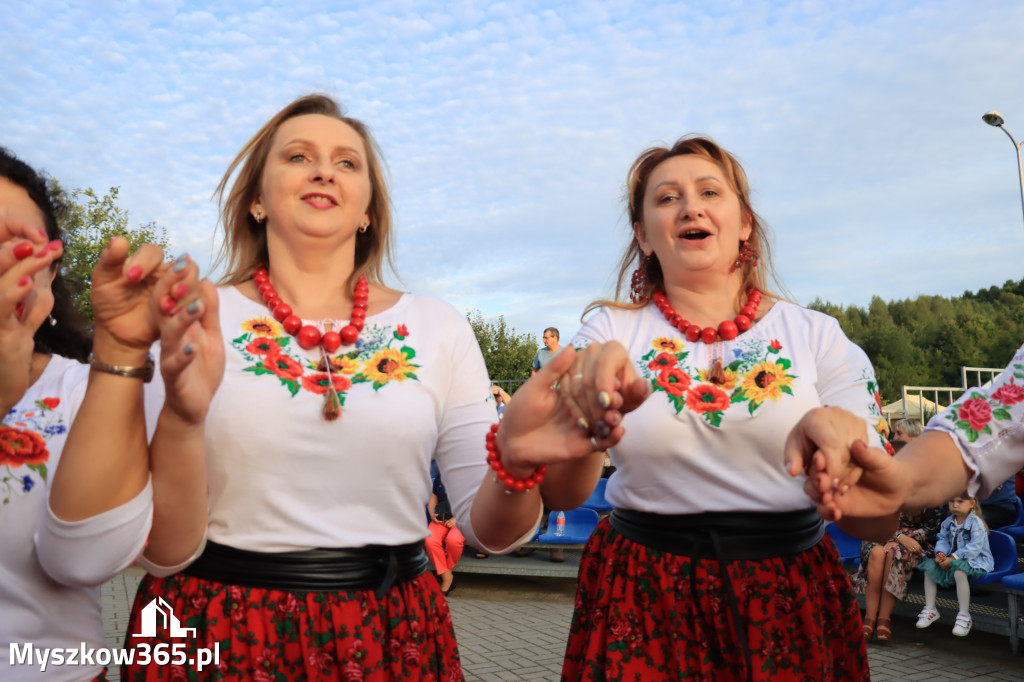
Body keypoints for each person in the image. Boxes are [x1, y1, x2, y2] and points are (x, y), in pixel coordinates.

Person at [73, 94, 605, 681]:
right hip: (210, 628)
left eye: (347, 162)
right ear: (255, 199)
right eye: (298, 156)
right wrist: (179, 414)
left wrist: (515, 464)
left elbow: (491, 531)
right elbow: (158, 550)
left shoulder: (437, 325)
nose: (324, 169)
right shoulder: (191, 315)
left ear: (369, 212)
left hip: (390, 631)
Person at [549, 136, 889, 680]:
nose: (690, 206)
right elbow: (562, 491)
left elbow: (883, 516)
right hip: (641, 590)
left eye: (710, 191)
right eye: (666, 198)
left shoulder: (819, 337)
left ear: (745, 222)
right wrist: (590, 403)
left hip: (788, 594)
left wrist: (847, 454)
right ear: (643, 235)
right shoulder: (608, 331)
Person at [0, 148, 166, 680]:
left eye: (16, 246)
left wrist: (182, 412)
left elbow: (127, 556)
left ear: (51, 269)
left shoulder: (86, 390)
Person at [784, 341, 1024, 541]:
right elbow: (994, 416)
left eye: (900, 434)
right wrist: (896, 480)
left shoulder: (820, 338)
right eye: (895, 433)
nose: (896, 436)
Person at [855, 501, 945, 642]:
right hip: (880, 534)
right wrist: (897, 537)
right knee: (877, 554)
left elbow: (932, 527)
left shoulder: (929, 491)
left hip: (915, 541)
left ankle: (884, 619)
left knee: (895, 554)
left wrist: (905, 540)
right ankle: (869, 618)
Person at [915, 495, 993, 637]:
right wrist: (940, 554)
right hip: (952, 557)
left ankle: (964, 615)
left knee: (959, 572)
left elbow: (974, 548)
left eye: (960, 502)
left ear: (972, 503)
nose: (955, 505)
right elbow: (942, 540)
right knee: (929, 568)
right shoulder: (948, 522)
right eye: (952, 501)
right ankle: (930, 608)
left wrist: (953, 558)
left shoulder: (976, 523)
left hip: (975, 560)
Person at [426, 469, 464, 595]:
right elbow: (433, 497)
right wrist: (433, 515)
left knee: (453, 540)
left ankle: (445, 577)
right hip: (441, 517)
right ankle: (448, 577)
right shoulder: (441, 474)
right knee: (429, 539)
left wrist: (456, 518)